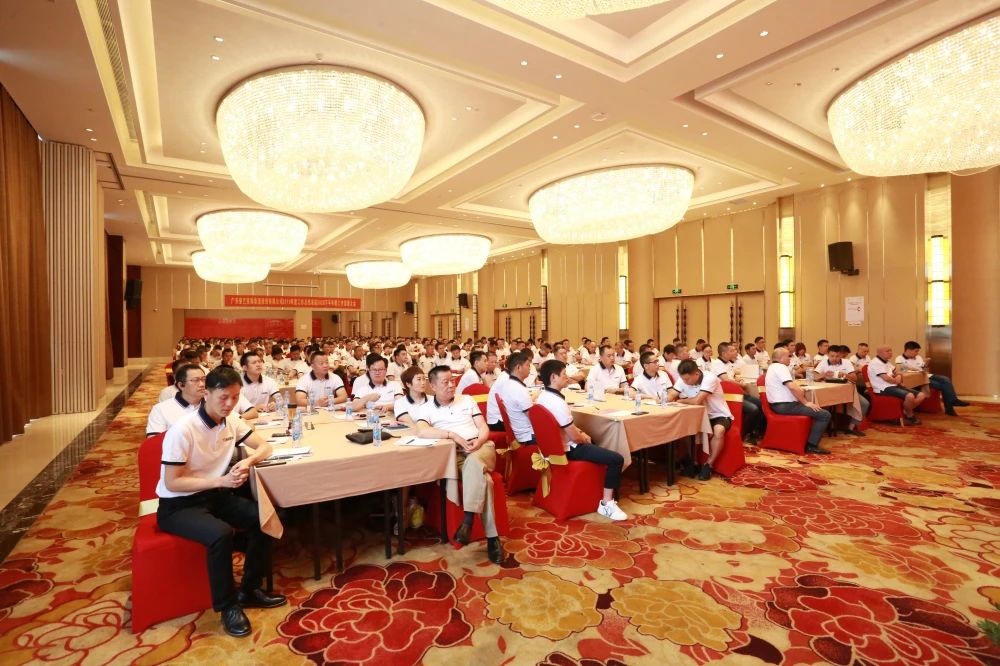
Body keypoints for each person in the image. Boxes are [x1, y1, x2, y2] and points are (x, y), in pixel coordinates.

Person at [156, 366, 285, 638]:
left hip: (215, 495)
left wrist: (249, 461)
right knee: (221, 534)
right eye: (223, 397)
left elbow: (265, 447)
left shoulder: (232, 421)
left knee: (263, 517)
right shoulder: (183, 429)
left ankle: (249, 589)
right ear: (207, 394)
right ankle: (228, 606)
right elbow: (173, 482)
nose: (229, 404)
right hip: (179, 505)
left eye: (235, 397)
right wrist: (221, 481)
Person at [414, 366, 504, 564]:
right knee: (486, 481)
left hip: (481, 448)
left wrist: (479, 441)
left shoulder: (467, 400)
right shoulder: (426, 408)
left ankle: (468, 520)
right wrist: (452, 435)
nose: (451, 385)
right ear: (433, 386)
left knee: (474, 460)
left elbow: (483, 427)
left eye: (452, 381)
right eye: (445, 382)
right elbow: (421, 431)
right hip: (454, 454)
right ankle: (492, 539)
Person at [536, 360, 627, 520]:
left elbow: (566, 427)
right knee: (616, 459)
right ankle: (606, 504)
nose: (567, 377)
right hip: (569, 450)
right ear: (553, 377)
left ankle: (599, 490)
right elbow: (575, 437)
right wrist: (583, 437)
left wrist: (582, 433)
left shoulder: (542, 397)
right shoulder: (558, 403)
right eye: (564, 374)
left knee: (593, 440)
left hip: (552, 449)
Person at [667, 359, 735, 480]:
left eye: (687, 379)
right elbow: (672, 394)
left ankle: (708, 464)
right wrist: (665, 398)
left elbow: (697, 400)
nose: (684, 382)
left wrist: (680, 401)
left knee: (719, 430)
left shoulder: (710, 378)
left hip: (718, 415)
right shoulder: (684, 378)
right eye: (683, 379)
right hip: (697, 415)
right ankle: (692, 462)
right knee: (683, 430)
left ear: (696, 374)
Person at [764, 348, 831, 453]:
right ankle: (811, 445)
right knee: (824, 415)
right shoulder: (781, 367)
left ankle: (808, 441)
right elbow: (791, 387)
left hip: (779, 405)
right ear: (781, 358)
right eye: (788, 356)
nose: (790, 359)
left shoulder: (772, 367)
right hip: (786, 406)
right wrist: (806, 402)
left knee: (818, 412)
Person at [896, 340, 968, 416]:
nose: (917, 353)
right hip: (917, 380)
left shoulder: (918, 357)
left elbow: (923, 368)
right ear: (908, 350)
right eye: (916, 351)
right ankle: (950, 407)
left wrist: (926, 364)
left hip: (925, 375)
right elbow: (900, 369)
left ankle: (953, 401)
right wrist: (914, 369)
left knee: (945, 379)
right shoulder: (899, 358)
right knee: (941, 386)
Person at [815, 344, 868, 435]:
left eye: (837, 356)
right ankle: (827, 426)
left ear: (841, 355)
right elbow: (813, 376)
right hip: (828, 392)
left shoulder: (846, 362)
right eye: (832, 356)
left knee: (865, 404)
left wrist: (845, 374)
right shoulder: (823, 363)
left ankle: (851, 428)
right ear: (828, 355)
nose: (834, 358)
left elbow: (854, 378)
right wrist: (824, 375)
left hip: (847, 391)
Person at [867, 345, 925, 424]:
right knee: (910, 396)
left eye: (891, 350)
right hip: (883, 388)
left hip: (893, 386)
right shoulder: (875, 363)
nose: (890, 353)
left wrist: (898, 376)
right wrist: (897, 380)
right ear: (879, 353)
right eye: (887, 351)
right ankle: (910, 415)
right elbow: (886, 378)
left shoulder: (887, 361)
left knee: (921, 395)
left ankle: (905, 411)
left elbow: (897, 371)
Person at [147, 364, 206, 436]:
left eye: (204, 379)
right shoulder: (160, 409)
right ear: (181, 385)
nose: (202, 384)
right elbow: (154, 440)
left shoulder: (213, 405)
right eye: (195, 380)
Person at [491, 350, 535, 444]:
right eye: (527, 365)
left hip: (519, 431)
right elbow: (533, 417)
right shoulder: (518, 389)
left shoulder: (510, 383)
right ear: (518, 367)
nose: (530, 368)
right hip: (527, 435)